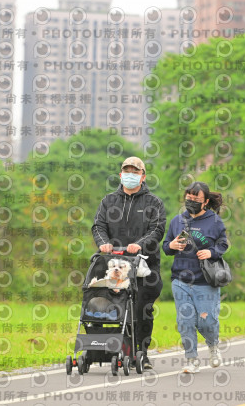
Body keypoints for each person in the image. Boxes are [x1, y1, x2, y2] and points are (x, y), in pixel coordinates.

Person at [91, 156, 166, 369]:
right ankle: (115, 350)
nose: (130, 175)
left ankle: (141, 353)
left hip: (145, 267)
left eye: (135, 172)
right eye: (127, 171)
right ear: (120, 175)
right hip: (114, 265)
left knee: (142, 308)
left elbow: (157, 229)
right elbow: (98, 226)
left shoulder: (154, 203)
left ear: (143, 176)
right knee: (108, 306)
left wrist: (139, 245)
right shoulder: (108, 201)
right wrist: (103, 243)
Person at [163, 181, 228, 374]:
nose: (191, 201)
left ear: (205, 201)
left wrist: (211, 252)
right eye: (189, 197)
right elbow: (166, 246)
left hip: (205, 281)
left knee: (206, 321)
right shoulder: (177, 221)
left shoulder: (215, 221)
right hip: (180, 280)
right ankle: (192, 359)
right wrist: (171, 246)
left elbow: (223, 244)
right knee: (185, 322)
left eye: (196, 198)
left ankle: (213, 345)